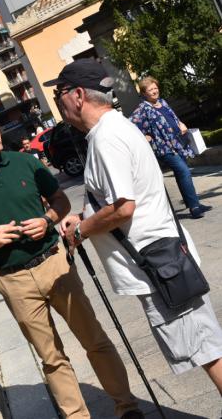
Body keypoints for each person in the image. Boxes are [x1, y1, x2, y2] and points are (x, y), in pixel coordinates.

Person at [0, 104, 142, 419]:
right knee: (51, 358)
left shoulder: (24, 162)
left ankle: (127, 406)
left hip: (55, 263)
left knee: (94, 338)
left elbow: (60, 201)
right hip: (14, 280)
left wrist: (47, 219)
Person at [51, 59, 222, 396]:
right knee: (205, 347)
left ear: (79, 95)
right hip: (160, 261)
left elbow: (123, 207)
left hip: (159, 265)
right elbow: (115, 198)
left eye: (60, 94)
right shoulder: (113, 129)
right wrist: (83, 216)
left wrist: (81, 231)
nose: (59, 102)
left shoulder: (107, 138)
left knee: (208, 351)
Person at [129, 77, 212, 219]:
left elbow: (172, 117)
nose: (155, 91)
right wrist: (146, 137)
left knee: (182, 174)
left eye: (155, 88)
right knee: (184, 171)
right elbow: (131, 127)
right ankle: (194, 207)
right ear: (144, 93)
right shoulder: (143, 109)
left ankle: (194, 202)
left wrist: (181, 124)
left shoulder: (163, 102)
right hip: (164, 148)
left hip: (178, 144)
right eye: (150, 90)